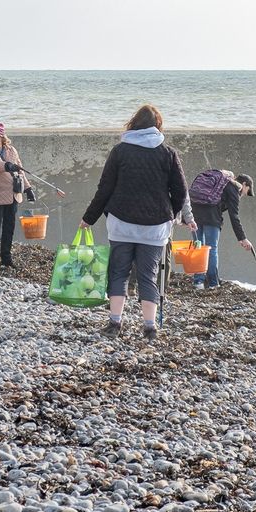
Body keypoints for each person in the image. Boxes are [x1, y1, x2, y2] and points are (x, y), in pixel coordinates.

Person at [79, 104, 187, 342]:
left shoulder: (120, 151)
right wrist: (172, 214)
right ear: (158, 126)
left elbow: (104, 188)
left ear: (133, 124)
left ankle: (115, 323)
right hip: (155, 228)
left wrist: (89, 218)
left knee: (118, 273)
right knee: (148, 276)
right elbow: (180, 191)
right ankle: (149, 328)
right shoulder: (167, 153)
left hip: (121, 224)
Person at [189, 169, 254, 290]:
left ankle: (198, 282)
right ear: (244, 184)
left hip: (195, 213)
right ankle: (213, 283)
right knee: (211, 248)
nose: (244, 194)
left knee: (198, 247)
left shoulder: (221, 184)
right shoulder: (233, 189)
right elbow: (234, 217)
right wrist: (243, 238)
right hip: (211, 218)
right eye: (247, 191)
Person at [0, 122, 32, 268]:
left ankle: (6, 258)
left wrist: (28, 188)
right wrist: (7, 165)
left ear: (3, 138)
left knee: (9, 228)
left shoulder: (12, 150)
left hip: (13, 194)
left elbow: (21, 170)